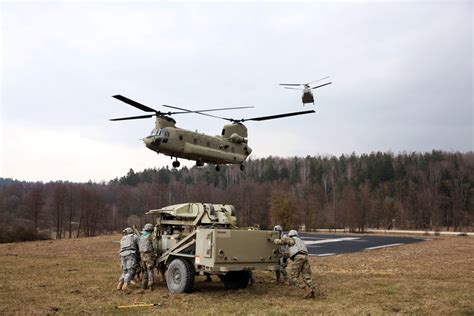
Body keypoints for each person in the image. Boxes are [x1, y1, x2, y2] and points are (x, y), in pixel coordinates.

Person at [273, 229, 315, 298]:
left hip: (298, 258)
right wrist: (281, 254)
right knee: (307, 276)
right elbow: (290, 253)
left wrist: (274, 240)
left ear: (290, 235)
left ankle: (307, 290)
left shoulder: (292, 239)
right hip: (305, 257)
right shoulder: (300, 241)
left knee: (294, 277)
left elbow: (282, 241)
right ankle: (312, 290)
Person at [138, 223, 157, 290]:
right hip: (148, 255)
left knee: (145, 270)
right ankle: (150, 285)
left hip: (142, 255)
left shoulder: (141, 236)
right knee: (150, 270)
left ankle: (144, 285)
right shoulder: (150, 236)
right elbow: (155, 246)